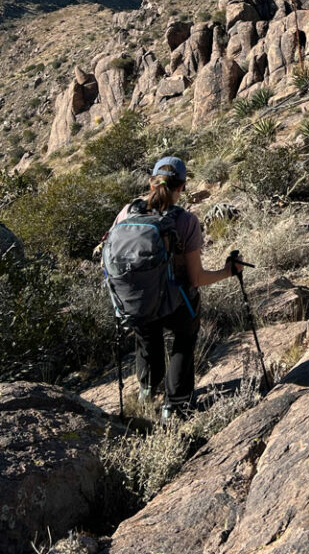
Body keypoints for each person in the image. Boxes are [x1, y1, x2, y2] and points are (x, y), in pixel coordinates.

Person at [110, 155, 242, 421]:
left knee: (148, 340)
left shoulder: (127, 212)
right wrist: (230, 271)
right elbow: (196, 278)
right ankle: (176, 404)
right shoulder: (186, 221)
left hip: (136, 299)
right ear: (182, 186)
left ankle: (148, 391)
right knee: (183, 341)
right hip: (175, 301)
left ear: (151, 183)